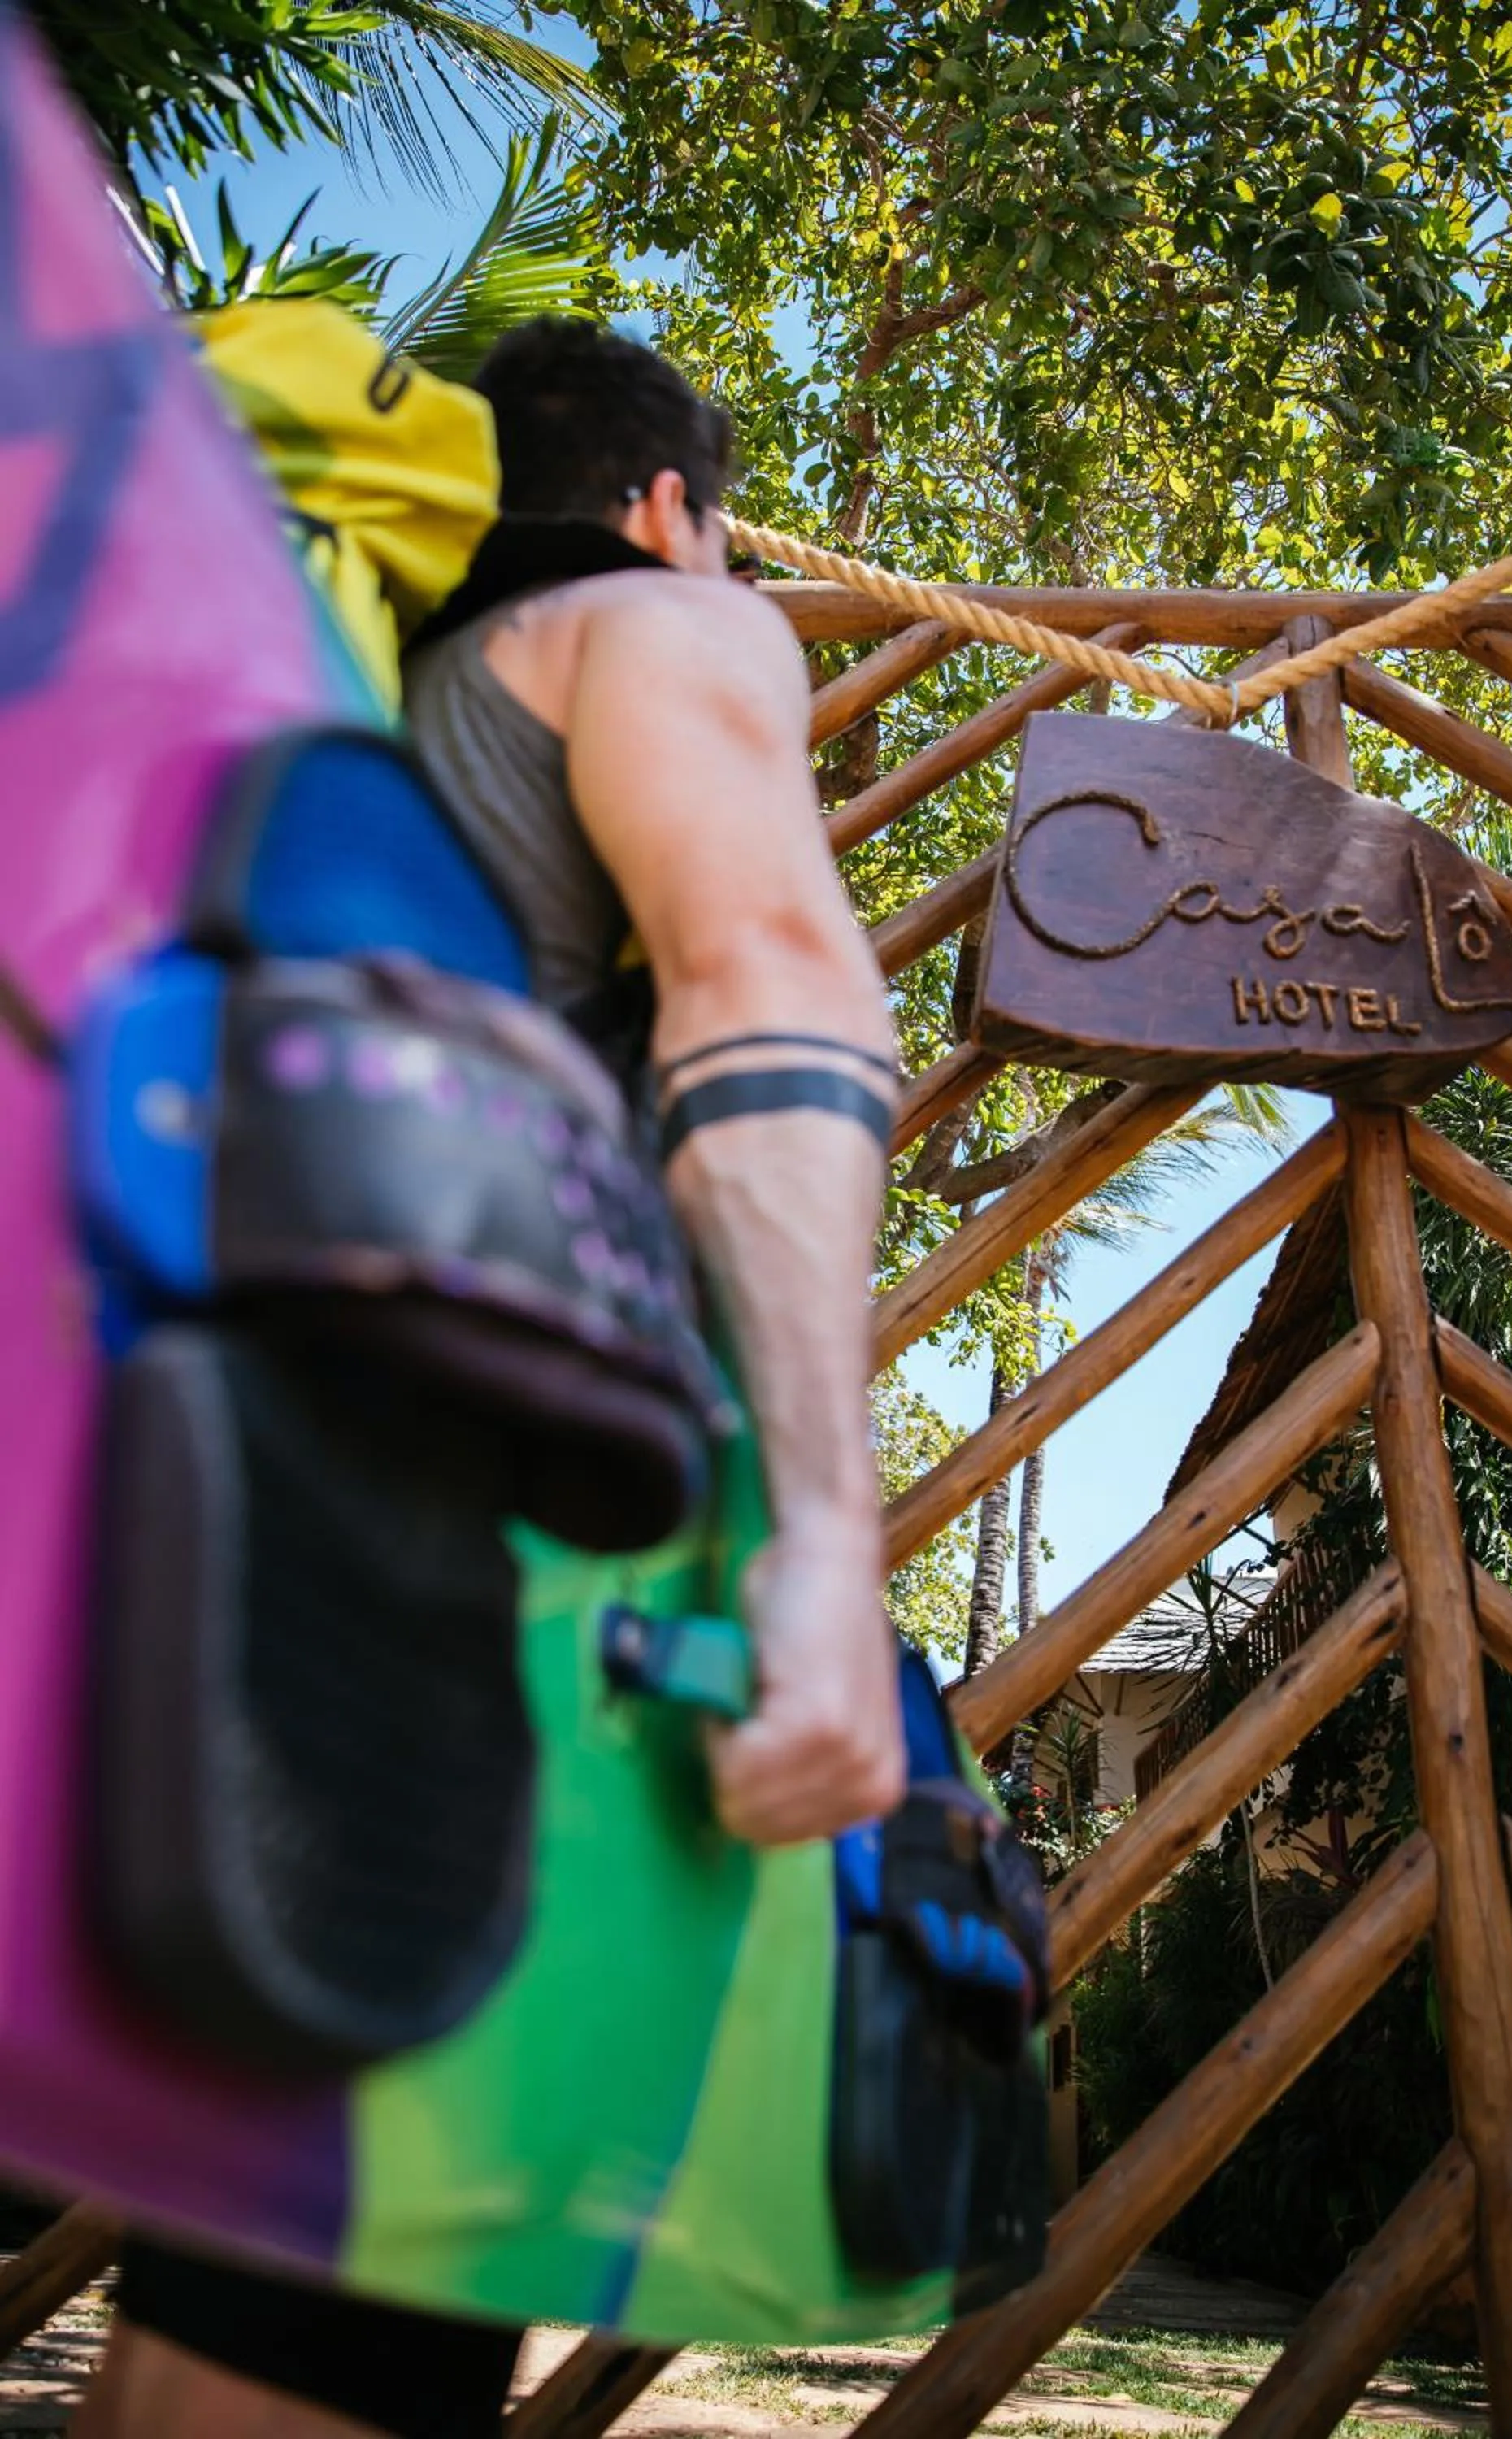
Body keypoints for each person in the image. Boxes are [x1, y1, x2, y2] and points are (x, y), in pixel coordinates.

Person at [74, 320, 906, 2437]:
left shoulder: (373, 715)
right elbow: (771, 982)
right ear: (661, 508)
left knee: (241, 2315)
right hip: (455, 1594)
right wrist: (826, 1541)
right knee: (355, 2315)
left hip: (208, 1510)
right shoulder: (664, 624)